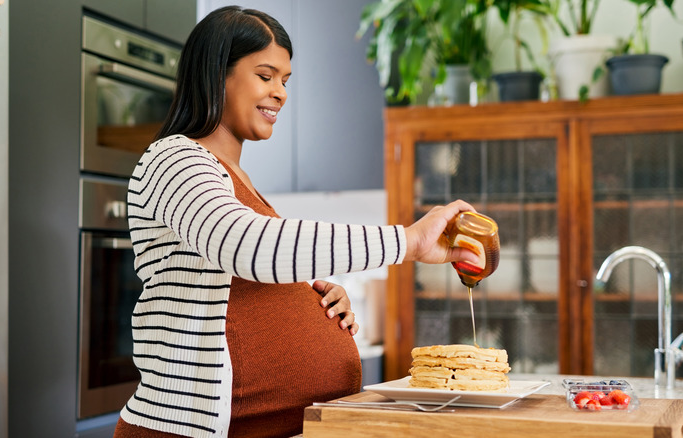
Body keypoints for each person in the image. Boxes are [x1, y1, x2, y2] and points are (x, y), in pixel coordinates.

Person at [113, 6, 478, 438]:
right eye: (265, 76)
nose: (281, 93)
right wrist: (408, 241)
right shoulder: (173, 158)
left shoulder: (236, 179)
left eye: (285, 81)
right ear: (216, 75)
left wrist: (311, 294)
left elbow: (239, 275)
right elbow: (248, 247)